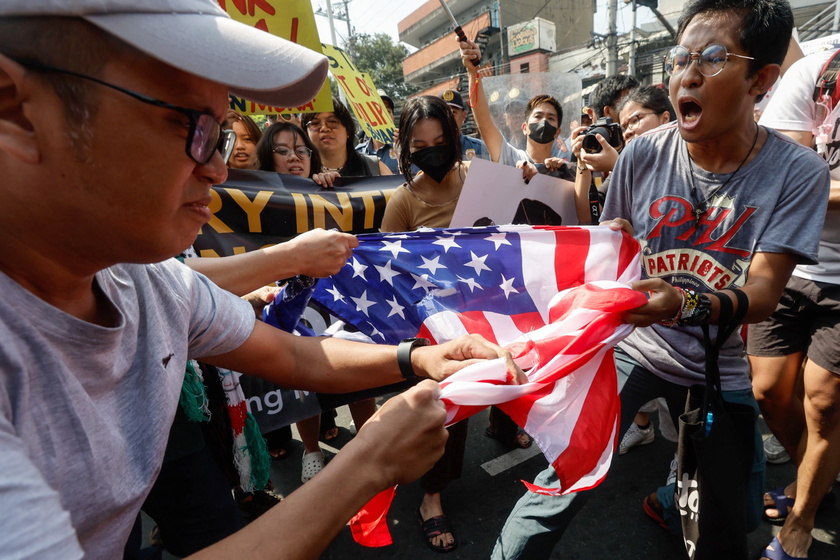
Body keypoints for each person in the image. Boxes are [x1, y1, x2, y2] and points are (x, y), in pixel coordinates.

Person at [0, 2, 520, 559]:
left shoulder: (149, 284)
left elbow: (295, 358)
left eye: (221, 136)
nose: (219, 170)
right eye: (191, 126)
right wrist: (365, 464)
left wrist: (416, 360)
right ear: (19, 113)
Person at [481, 0, 830, 558]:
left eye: (712, 58)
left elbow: (764, 293)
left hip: (723, 369)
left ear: (760, 79)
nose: (686, 74)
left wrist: (684, 305)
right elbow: (615, 245)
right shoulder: (641, 154)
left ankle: (674, 502)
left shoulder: (799, 172)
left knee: (728, 523)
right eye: (679, 58)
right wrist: (608, 249)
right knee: (559, 486)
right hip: (635, 350)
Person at [746, 48, 840, 560]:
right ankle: (818, 477)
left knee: (823, 402)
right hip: (790, 265)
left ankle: (801, 519)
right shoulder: (816, 71)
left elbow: (805, 181)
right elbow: (786, 180)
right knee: (769, 392)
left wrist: (816, 185)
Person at [458, 45, 571, 184]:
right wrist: (472, 71)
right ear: (525, 127)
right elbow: (485, 124)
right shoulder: (511, 158)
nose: (544, 121)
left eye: (551, 118)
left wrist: (566, 169)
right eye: (538, 116)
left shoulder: (564, 166)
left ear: (557, 132)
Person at [301, 98, 393, 177]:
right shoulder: (301, 173)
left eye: (332, 121)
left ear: (348, 130)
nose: (324, 128)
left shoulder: (374, 168)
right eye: (315, 123)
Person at [439, 88, 490, 161]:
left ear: (463, 116)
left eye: (453, 112)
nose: (448, 118)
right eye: (443, 113)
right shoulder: (429, 153)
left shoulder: (479, 149)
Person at [355, 90, 399, 174]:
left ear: (393, 117)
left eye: (387, 111)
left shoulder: (405, 148)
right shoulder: (358, 153)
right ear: (366, 119)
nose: (382, 116)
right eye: (375, 111)